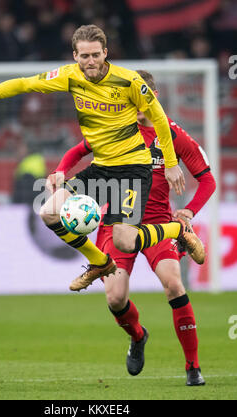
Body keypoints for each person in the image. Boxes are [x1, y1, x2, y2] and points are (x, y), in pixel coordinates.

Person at [0, 24, 205, 292]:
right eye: (84, 56)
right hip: (100, 169)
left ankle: (178, 230)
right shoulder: (70, 76)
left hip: (133, 169)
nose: (91, 61)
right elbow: (23, 84)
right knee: (49, 213)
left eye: (96, 54)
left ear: (105, 53)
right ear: (75, 56)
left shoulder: (130, 81)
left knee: (125, 240)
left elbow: (159, 120)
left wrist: (169, 164)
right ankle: (99, 262)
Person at [50, 71, 216, 386]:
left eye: (142, 99)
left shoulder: (174, 135)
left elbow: (208, 180)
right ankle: (138, 336)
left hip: (156, 222)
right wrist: (61, 171)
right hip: (116, 223)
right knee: (115, 299)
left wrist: (189, 212)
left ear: (154, 98)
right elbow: (78, 151)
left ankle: (192, 367)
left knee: (174, 286)